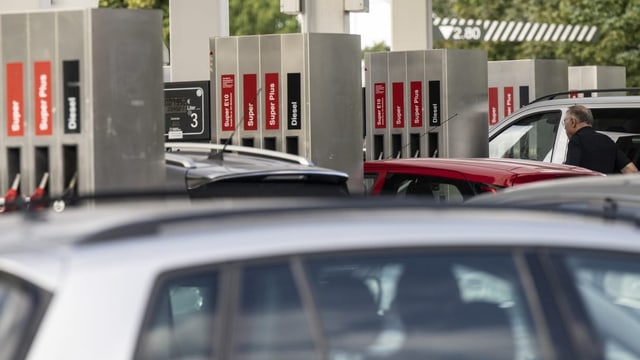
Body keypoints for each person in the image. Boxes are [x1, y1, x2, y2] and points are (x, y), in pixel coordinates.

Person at [563, 105, 639, 174]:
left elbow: (571, 172)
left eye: (565, 123)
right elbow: (631, 170)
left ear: (573, 122)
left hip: (584, 188)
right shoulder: (607, 140)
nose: (565, 127)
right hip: (607, 188)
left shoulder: (576, 140)